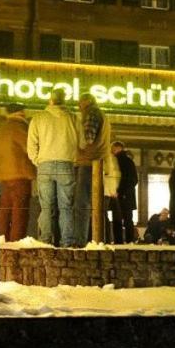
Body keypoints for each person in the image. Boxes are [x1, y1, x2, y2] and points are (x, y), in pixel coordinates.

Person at [26, 89, 82, 247]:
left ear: (50, 100)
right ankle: (67, 242)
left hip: (45, 164)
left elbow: (31, 144)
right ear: (64, 101)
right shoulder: (73, 118)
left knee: (46, 207)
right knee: (66, 207)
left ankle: (45, 241)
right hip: (66, 164)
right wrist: (73, 158)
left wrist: (37, 160)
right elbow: (82, 143)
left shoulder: (38, 118)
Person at [0, 104, 36, 242]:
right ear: (20, 112)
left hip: (4, 177)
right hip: (20, 175)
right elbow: (30, 148)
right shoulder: (20, 127)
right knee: (19, 211)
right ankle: (16, 240)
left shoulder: (2, 129)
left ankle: (1, 238)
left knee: (4, 210)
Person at [72, 94, 113, 247]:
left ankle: (79, 241)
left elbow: (87, 138)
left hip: (88, 161)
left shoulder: (91, 113)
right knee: (93, 204)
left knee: (81, 204)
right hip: (97, 162)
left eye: (79, 103)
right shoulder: (102, 114)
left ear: (86, 101)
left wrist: (75, 144)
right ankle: (96, 239)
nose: (78, 106)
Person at [109, 141, 138, 243]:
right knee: (128, 220)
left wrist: (119, 191)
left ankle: (118, 241)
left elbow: (124, 178)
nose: (111, 151)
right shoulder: (129, 161)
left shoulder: (118, 161)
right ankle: (130, 241)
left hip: (119, 194)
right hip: (128, 195)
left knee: (117, 220)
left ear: (117, 148)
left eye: (112, 149)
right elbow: (134, 180)